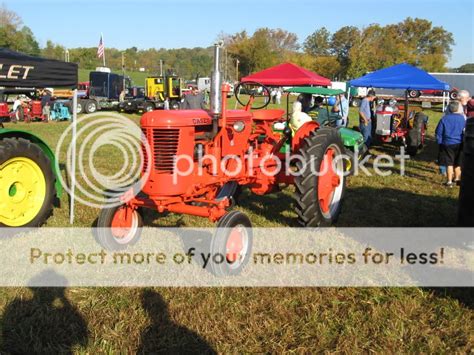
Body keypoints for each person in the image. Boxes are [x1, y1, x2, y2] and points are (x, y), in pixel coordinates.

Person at [435, 101, 466, 187]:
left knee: (449, 163)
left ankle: (449, 182)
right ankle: (457, 179)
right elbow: (465, 130)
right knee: (458, 163)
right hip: (460, 143)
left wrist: (440, 142)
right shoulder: (462, 118)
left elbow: (438, 132)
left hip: (447, 144)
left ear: (448, 108)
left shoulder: (444, 119)